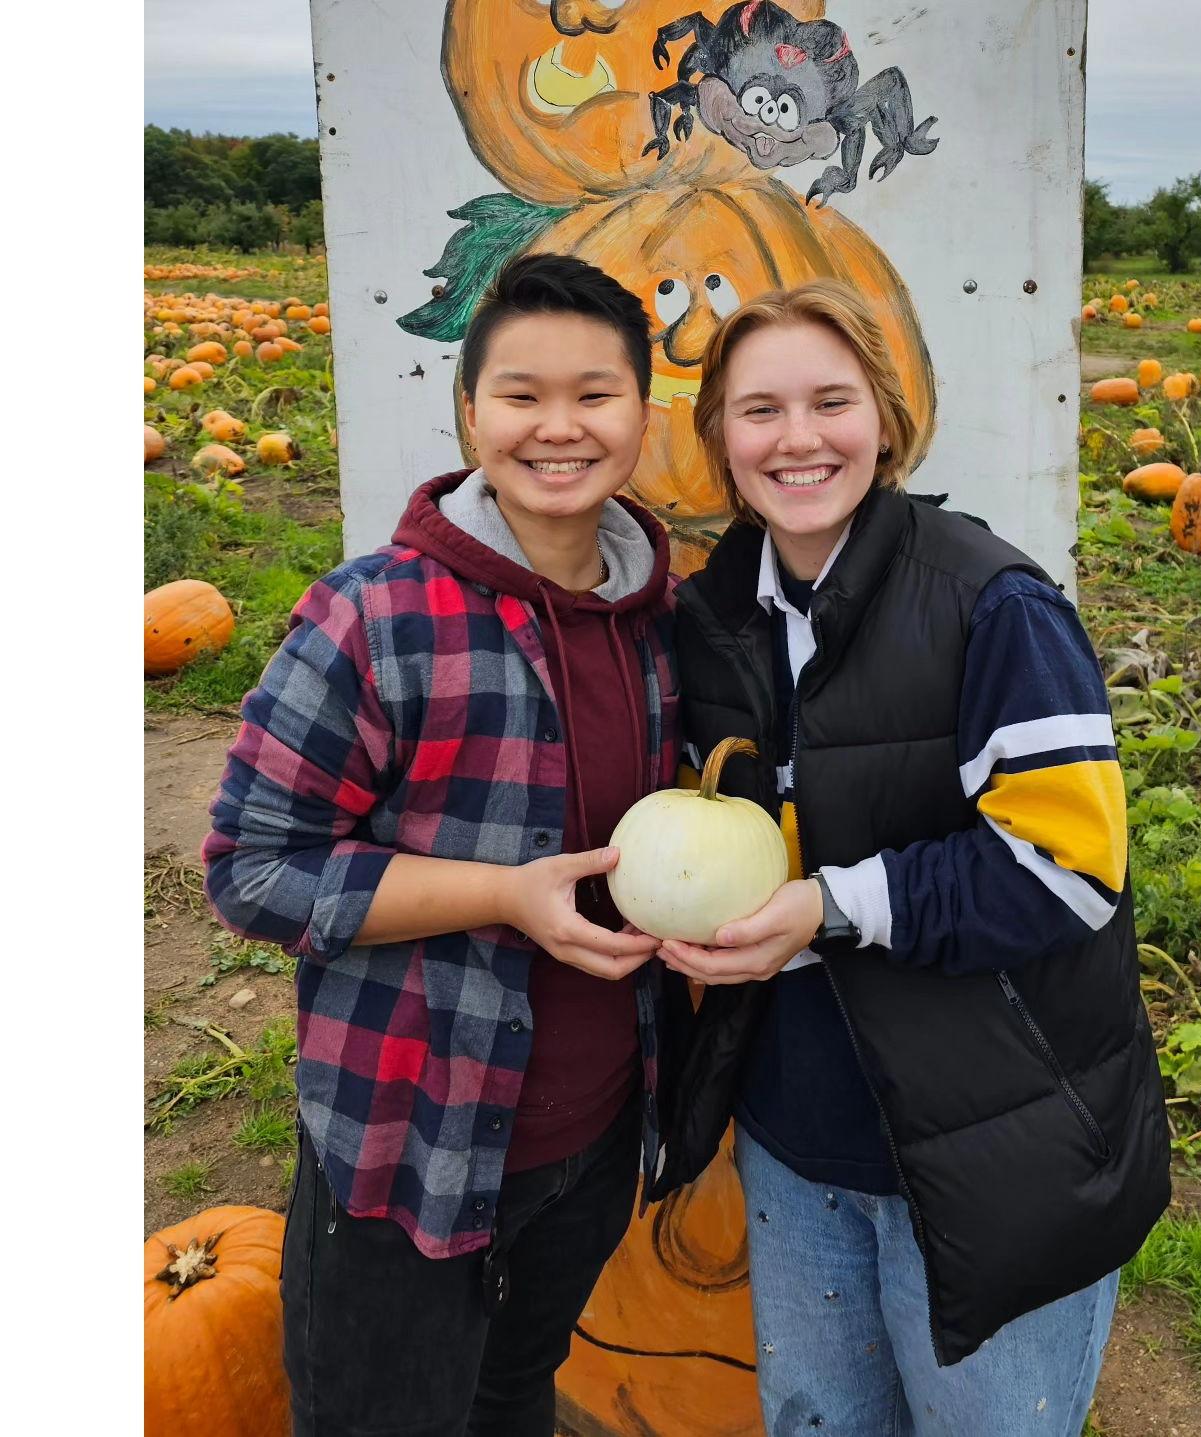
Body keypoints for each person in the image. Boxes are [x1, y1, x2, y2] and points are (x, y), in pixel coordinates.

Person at [648, 280, 1170, 1436]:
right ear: (719, 440)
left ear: (885, 420)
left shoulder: (991, 603)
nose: (797, 438)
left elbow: (1069, 868)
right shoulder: (711, 616)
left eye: (830, 402)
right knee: (820, 1418)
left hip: (1002, 1138)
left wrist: (831, 906)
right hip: (798, 1129)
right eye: (758, 410)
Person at [203, 252, 689, 1437]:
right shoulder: (374, 614)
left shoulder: (670, 621)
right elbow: (252, 867)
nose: (559, 427)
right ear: (470, 412)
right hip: (407, 1136)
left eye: (595, 395)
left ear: (643, 414)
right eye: (522, 395)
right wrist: (502, 896)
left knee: (515, 1396)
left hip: (597, 1130)